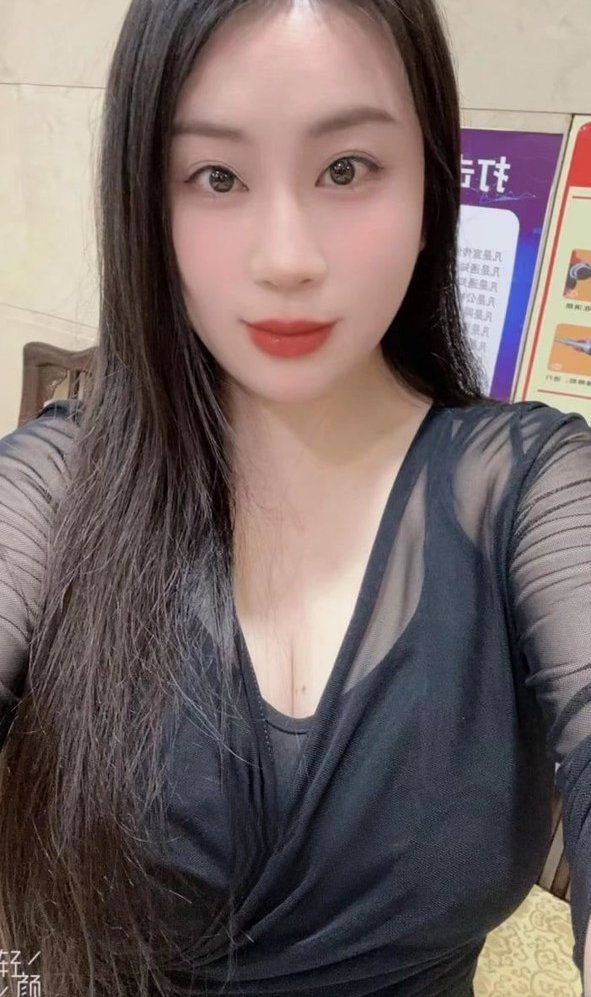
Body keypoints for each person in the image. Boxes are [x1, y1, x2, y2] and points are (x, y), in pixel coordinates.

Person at [0, 0, 590, 994]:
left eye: (346, 169)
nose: (287, 259)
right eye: (216, 176)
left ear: (430, 185)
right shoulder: (61, 488)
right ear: (146, 203)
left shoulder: (529, 490)